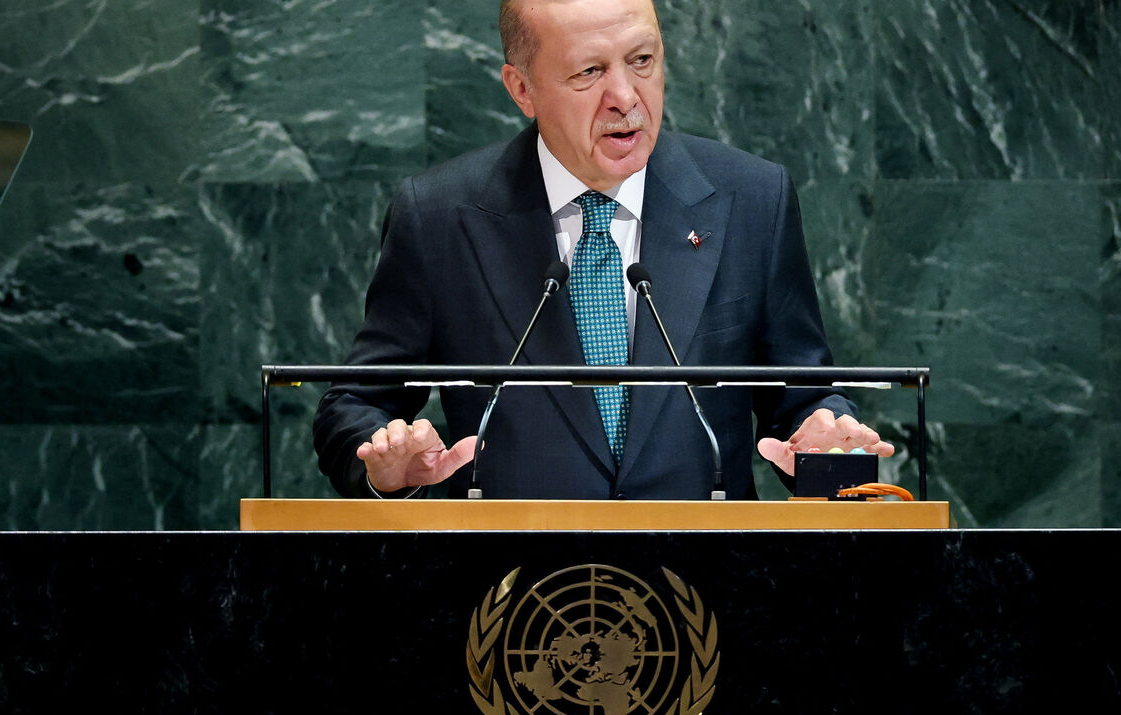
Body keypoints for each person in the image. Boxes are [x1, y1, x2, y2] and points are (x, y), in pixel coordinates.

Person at [312, 0, 894, 500]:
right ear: (522, 89)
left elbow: (805, 397)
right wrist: (387, 465)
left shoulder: (752, 199)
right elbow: (355, 405)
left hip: (706, 599)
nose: (624, 97)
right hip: (514, 604)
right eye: (589, 72)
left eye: (642, 61)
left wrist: (828, 446)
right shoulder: (439, 217)